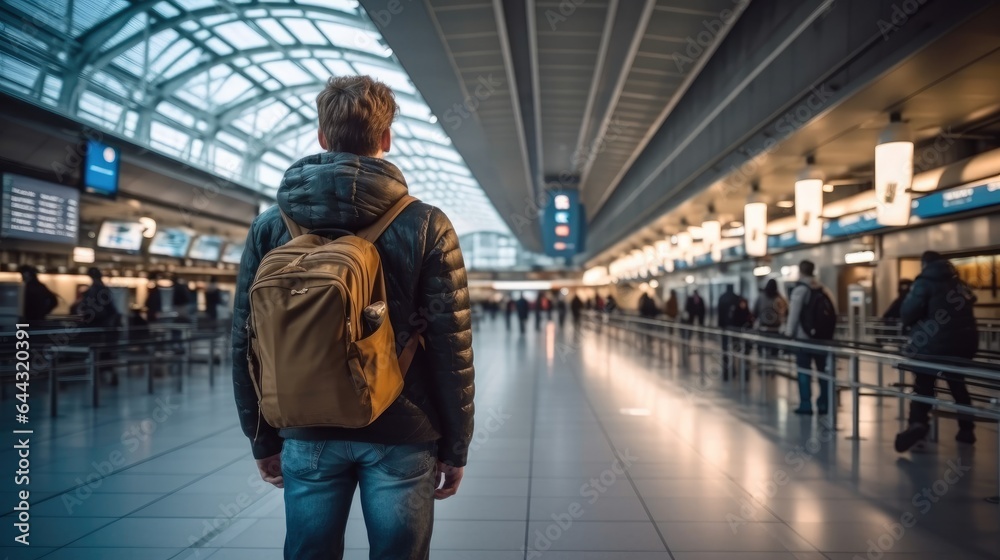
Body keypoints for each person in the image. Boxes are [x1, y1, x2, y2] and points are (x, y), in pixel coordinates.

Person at [230, 75, 475, 560]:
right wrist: (456, 446)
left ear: (322, 136)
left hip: (305, 426)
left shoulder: (270, 225)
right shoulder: (427, 223)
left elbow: (245, 340)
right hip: (403, 428)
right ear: (386, 138)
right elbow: (452, 345)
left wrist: (261, 438)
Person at [894, 251, 978, 452]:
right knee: (958, 386)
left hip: (932, 346)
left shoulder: (924, 282)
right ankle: (967, 430)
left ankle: (918, 426)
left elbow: (908, 312)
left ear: (924, 264)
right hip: (963, 344)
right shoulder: (958, 282)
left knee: (923, 385)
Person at [784, 260, 837, 415]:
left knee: (804, 372)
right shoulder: (823, 288)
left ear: (800, 271)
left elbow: (793, 314)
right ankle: (824, 404)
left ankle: (806, 405)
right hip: (822, 339)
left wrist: (789, 334)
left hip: (804, 339)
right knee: (823, 372)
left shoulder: (800, 290)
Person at [75, 267, 122, 385]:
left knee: (97, 352)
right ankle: (109, 373)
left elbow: (94, 310)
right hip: (108, 327)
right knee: (106, 352)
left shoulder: (93, 290)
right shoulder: (104, 290)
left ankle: (97, 374)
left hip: (97, 326)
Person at [753, 279, 788, 367]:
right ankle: (772, 367)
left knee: (761, 348)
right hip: (776, 329)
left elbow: (755, 312)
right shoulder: (780, 298)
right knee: (773, 350)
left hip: (763, 328)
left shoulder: (761, 297)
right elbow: (787, 312)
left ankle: (762, 367)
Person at [717, 285, 742, 378]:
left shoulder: (722, 298)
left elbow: (719, 313)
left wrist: (720, 326)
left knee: (725, 349)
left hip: (725, 328)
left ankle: (726, 370)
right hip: (735, 329)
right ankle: (734, 369)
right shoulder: (737, 298)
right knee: (735, 349)